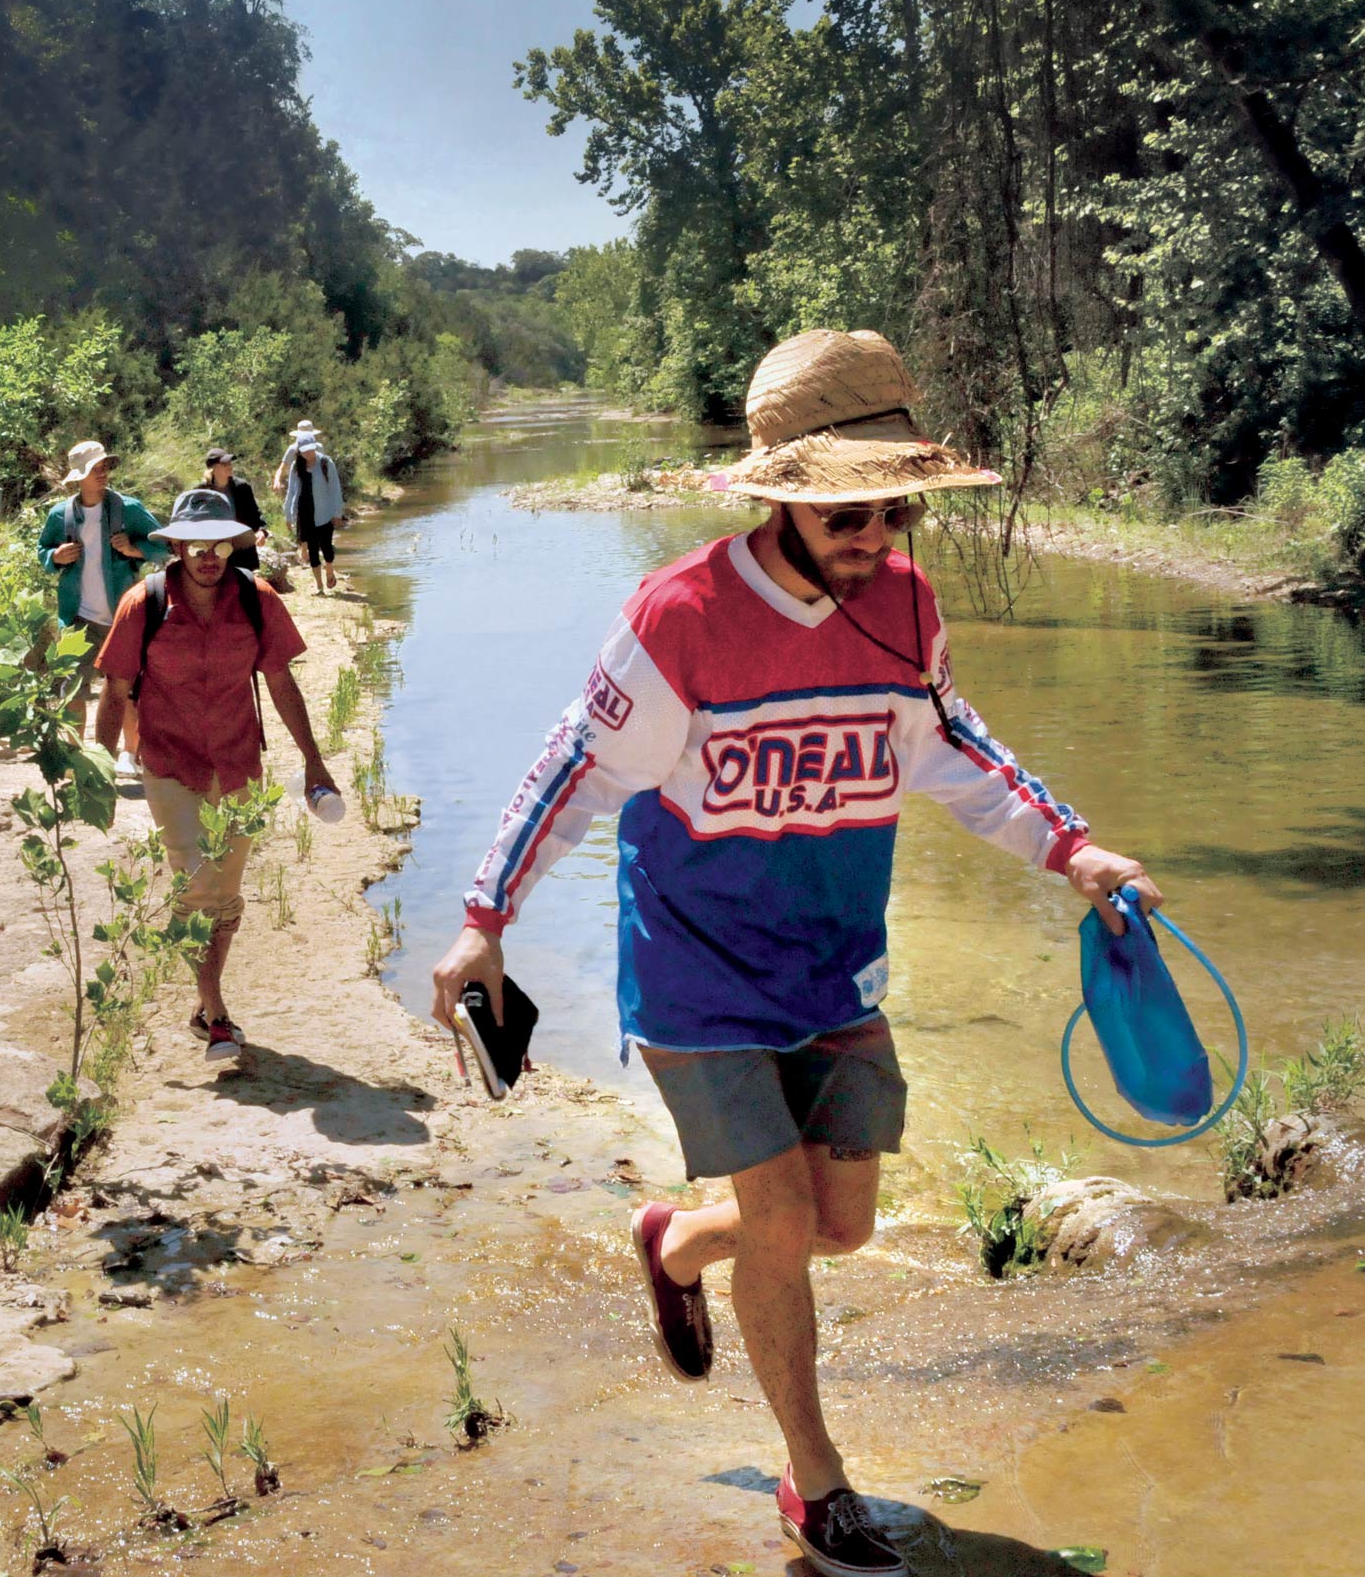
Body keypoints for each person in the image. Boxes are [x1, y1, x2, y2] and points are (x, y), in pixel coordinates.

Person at [427, 329, 1163, 1577]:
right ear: (780, 498)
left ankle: (673, 1242)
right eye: (848, 512)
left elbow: (949, 745)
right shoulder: (683, 619)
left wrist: (1071, 849)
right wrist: (485, 920)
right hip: (697, 972)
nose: (876, 535)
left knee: (842, 1225)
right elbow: (575, 770)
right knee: (777, 1215)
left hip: (835, 968)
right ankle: (814, 1487)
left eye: (893, 508)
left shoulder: (907, 606)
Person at [95, 489, 338, 1063]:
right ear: (176, 546)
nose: (210, 557)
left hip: (237, 762)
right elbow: (115, 690)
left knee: (223, 894)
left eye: (221, 545)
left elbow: (280, 683)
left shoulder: (257, 600)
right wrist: (98, 768)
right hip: (169, 763)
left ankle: (203, 1008)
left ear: (234, 545)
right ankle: (220, 1013)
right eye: (197, 546)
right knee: (196, 878)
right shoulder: (143, 602)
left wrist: (314, 761)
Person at [37, 440, 164, 779]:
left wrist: (135, 549)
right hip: (77, 617)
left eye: (105, 466)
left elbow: (163, 545)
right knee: (72, 688)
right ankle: (75, 755)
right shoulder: (59, 515)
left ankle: (128, 754)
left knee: (127, 689)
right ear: (79, 477)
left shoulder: (129, 509)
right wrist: (55, 557)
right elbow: (43, 552)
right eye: (96, 468)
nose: (103, 473)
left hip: (124, 617)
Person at [272, 426, 345, 595]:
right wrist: (289, 515)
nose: (308, 454)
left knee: (326, 546)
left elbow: (335, 489)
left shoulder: (326, 463)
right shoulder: (296, 467)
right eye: (304, 451)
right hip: (305, 514)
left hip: (325, 512)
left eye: (310, 450)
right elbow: (291, 491)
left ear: (315, 446)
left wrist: (337, 513)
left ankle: (329, 570)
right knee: (312, 550)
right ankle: (319, 586)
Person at [198, 447, 266, 575]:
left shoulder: (242, 487)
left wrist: (261, 531)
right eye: (224, 464)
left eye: (230, 463)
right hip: (214, 548)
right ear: (213, 468)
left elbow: (254, 513)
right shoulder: (201, 491)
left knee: (245, 585)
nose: (229, 466)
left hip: (241, 547)